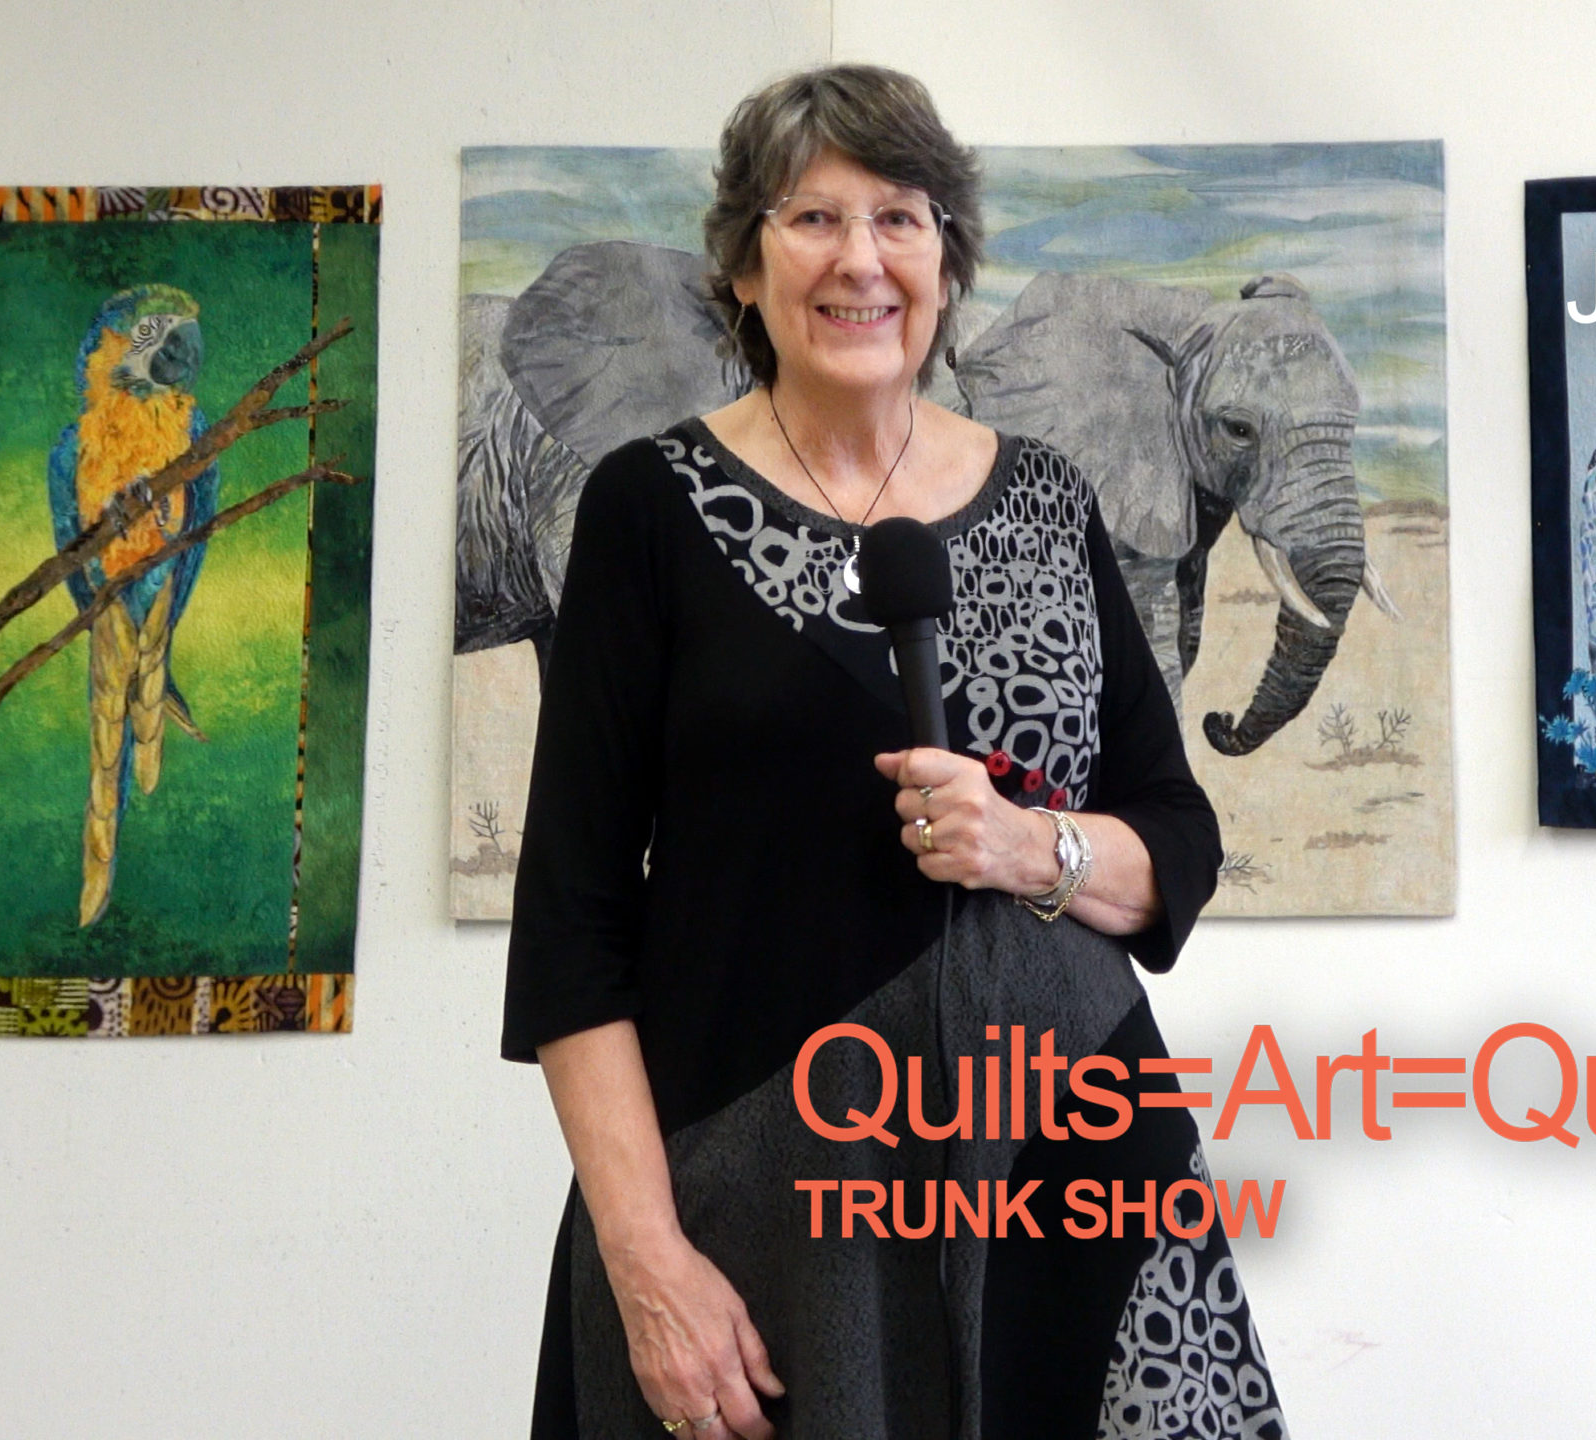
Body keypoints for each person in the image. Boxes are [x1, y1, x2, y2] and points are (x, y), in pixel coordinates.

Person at [503, 65, 1289, 1440]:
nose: (860, 259)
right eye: (813, 219)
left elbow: (1176, 840)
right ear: (743, 269)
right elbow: (571, 923)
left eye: (901, 219)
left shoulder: (1049, 497)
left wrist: (1030, 846)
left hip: (1065, 1161)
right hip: (758, 1190)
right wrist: (647, 1263)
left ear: (946, 261)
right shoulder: (649, 509)